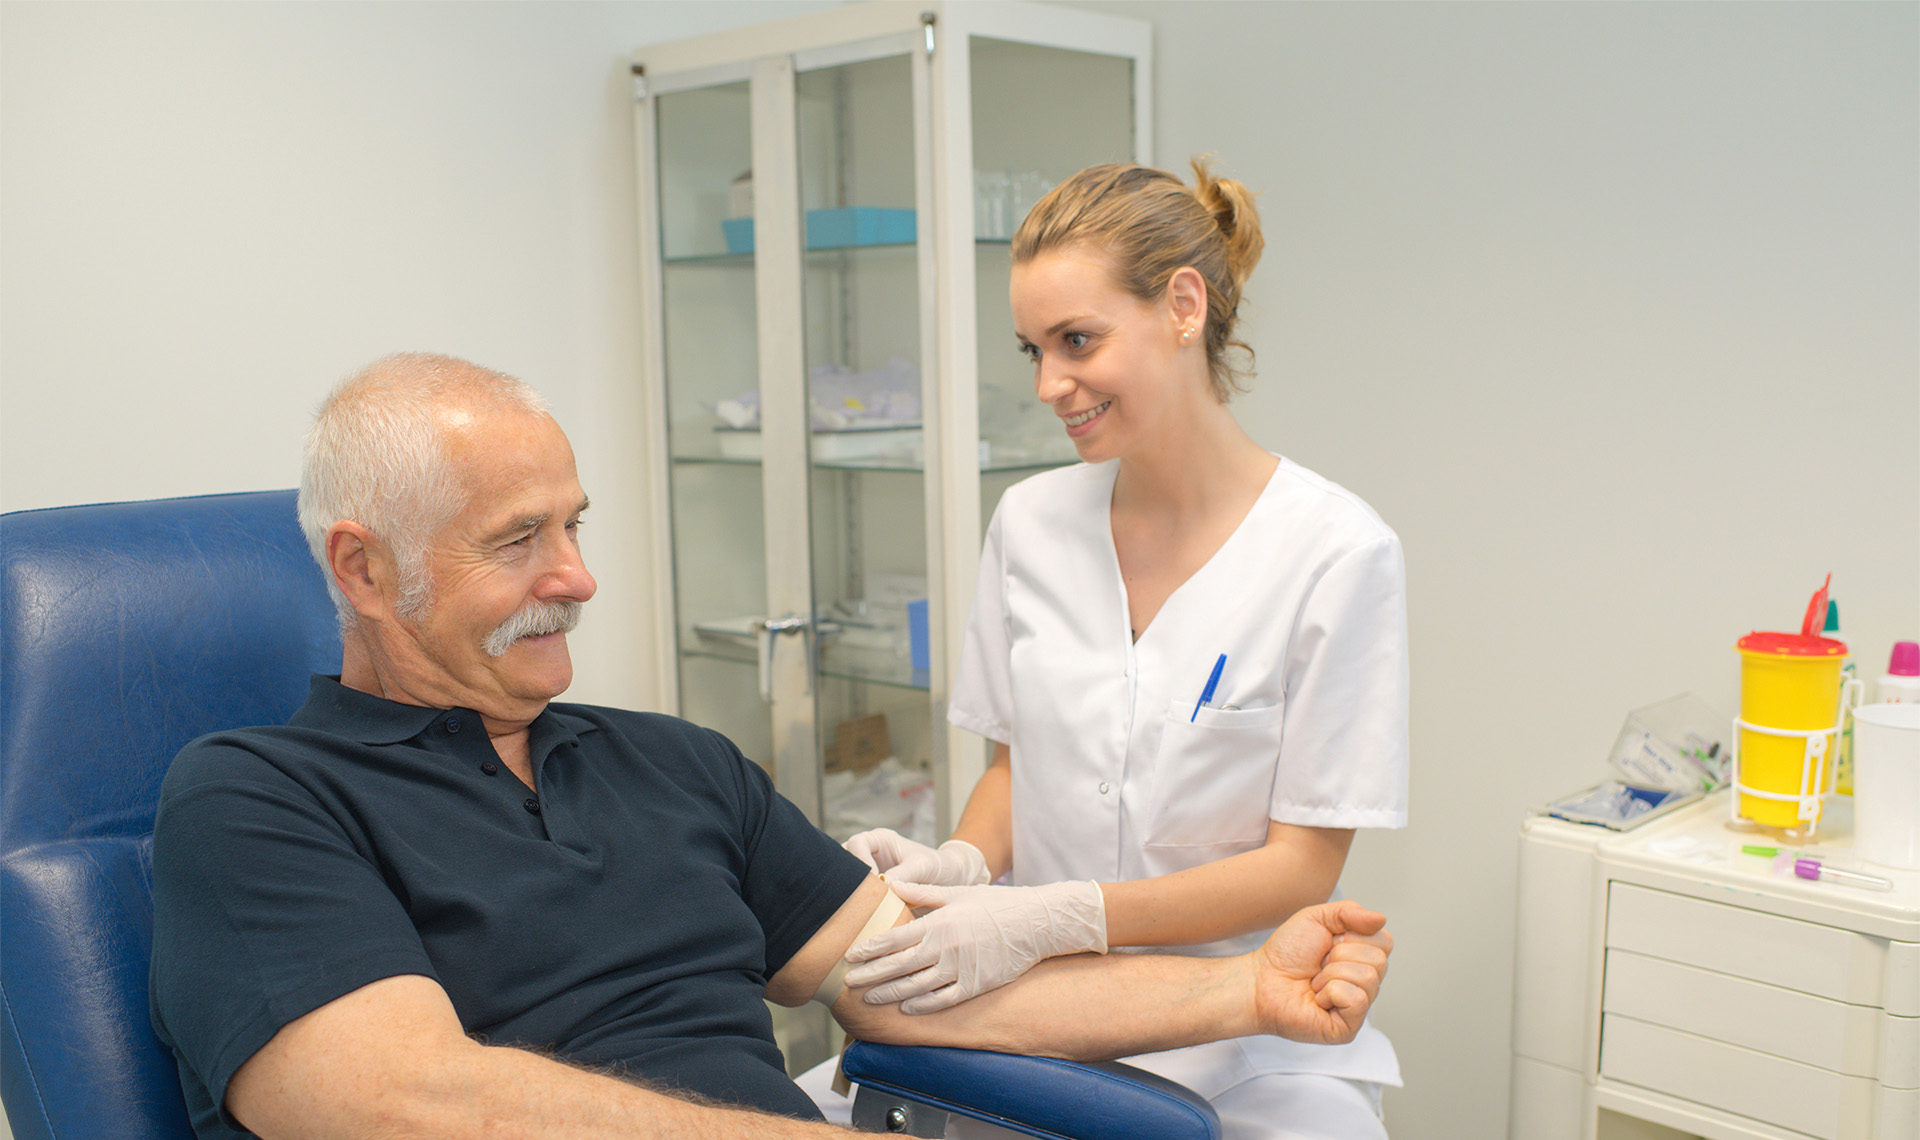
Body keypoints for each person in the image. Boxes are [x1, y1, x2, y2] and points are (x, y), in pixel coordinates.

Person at [147, 351, 1395, 1140]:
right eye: (518, 541)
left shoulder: (671, 763)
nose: (578, 579)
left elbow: (929, 987)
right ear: (365, 568)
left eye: (576, 528)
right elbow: (396, 1103)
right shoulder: (258, 797)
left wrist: (1245, 994)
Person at [822, 161, 1410, 1139]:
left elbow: (1301, 866)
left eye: (1077, 341)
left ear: (1183, 306)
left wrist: (1063, 914)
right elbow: (1016, 770)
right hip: (1031, 1010)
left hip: (1243, 1026)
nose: (1051, 384)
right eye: (1034, 350)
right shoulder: (1030, 522)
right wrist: (964, 864)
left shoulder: (1337, 554)